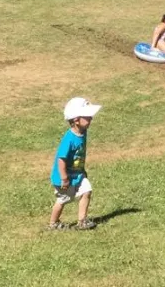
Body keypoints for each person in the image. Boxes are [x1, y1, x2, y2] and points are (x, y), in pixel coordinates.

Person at [49, 97, 100, 230]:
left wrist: (82, 170)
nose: (91, 118)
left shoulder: (83, 132)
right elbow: (61, 159)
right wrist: (64, 178)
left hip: (77, 174)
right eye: (87, 116)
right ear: (76, 120)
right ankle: (53, 223)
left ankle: (82, 221)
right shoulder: (69, 139)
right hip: (63, 177)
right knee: (64, 199)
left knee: (87, 191)